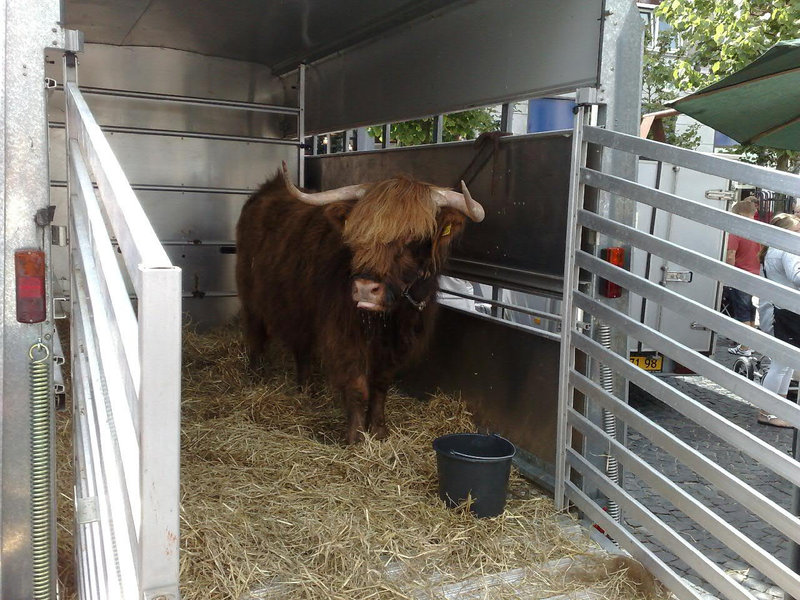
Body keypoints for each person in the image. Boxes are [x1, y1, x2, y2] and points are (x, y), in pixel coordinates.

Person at [757, 213, 800, 427]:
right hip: (790, 312)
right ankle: (768, 412)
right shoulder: (788, 250)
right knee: (782, 365)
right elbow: (797, 278)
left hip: (779, 310)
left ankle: (777, 410)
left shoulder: (770, 251)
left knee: (786, 364)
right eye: (796, 231)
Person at [724, 197, 761, 356]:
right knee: (752, 312)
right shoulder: (760, 232)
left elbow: (730, 255)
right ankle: (750, 345)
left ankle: (745, 347)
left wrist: (727, 274)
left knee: (742, 312)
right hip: (757, 276)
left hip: (740, 275)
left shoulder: (736, 232)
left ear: (738, 213)